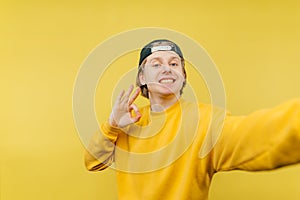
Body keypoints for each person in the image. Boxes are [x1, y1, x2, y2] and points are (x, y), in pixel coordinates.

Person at [84, 39, 300, 200]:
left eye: (174, 64)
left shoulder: (205, 120)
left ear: (183, 76)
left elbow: (258, 136)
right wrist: (112, 125)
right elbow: (92, 163)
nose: (167, 68)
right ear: (142, 77)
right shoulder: (128, 122)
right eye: (156, 64)